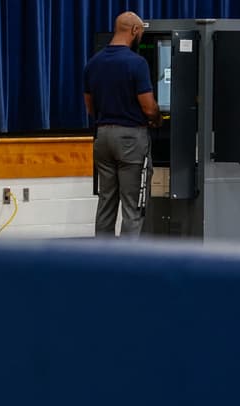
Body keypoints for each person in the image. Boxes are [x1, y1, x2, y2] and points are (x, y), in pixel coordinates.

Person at [83, 11, 162, 238]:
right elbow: (148, 107)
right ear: (135, 31)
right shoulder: (137, 64)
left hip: (103, 137)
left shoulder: (93, 63)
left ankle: (104, 261)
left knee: (106, 202)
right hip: (130, 139)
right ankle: (129, 263)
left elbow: (90, 107)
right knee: (133, 206)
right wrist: (157, 119)